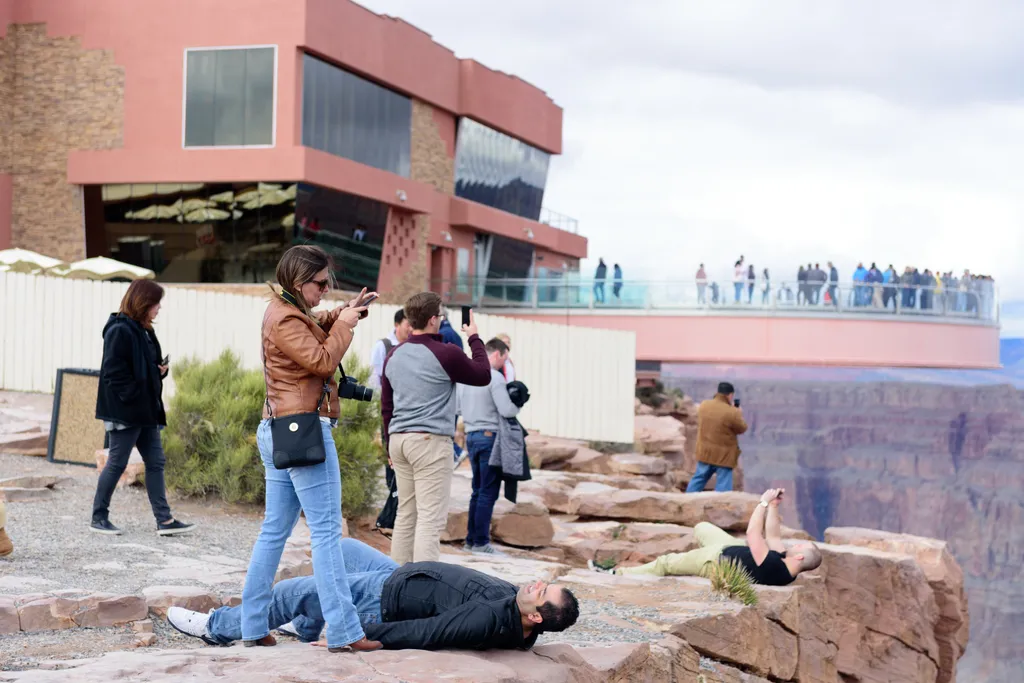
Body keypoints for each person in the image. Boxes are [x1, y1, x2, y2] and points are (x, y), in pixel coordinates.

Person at [241, 244, 380, 653]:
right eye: (320, 284)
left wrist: (343, 312)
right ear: (299, 281)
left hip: (281, 429)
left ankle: (252, 625)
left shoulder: (285, 310)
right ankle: (344, 631)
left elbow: (312, 323)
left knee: (274, 531)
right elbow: (321, 360)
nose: (324, 290)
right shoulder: (283, 316)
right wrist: (346, 327)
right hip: (302, 431)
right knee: (325, 532)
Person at [167, 538, 580, 651]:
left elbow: (431, 632)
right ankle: (311, 626)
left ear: (538, 618)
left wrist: (361, 630)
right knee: (342, 550)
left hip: (383, 598)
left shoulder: (490, 620)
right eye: (545, 582)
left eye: (543, 591)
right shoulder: (516, 607)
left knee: (290, 590)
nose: (537, 583)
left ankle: (216, 627)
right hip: (400, 576)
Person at [382, 292, 491, 564]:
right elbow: (483, 374)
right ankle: (423, 588)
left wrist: (388, 444)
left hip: (399, 440)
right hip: (429, 442)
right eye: (440, 316)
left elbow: (386, 405)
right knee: (430, 520)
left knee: (406, 515)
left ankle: (398, 582)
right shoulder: (446, 353)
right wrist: (474, 336)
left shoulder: (394, 354)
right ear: (433, 319)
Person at [92, 280, 193, 537]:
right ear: (142, 302)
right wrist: (134, 396)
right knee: (117, 462)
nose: (159, 308)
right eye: (155, 303)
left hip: (146, 410)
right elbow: (113, 373)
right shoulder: (119, 330)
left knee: (156, 461)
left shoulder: (144, 330)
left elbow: (140, 366)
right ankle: (98, 517)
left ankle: (165, 520)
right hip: (127, 411)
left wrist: (158, 371)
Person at [590, 488, 821, 584]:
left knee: (666, 563)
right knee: (702, 527)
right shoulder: (785, 563)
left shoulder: (774, 566)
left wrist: (761, 502)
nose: (796, 544)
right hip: (730, 547)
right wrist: (773, 506)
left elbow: (753, 534)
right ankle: (690, 557)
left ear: (799, 557)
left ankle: (615, 574)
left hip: (716, 562)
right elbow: (772, 534)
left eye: (801, 546)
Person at [457, 338, 520, 554]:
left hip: (471, 436)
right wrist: (518, 403)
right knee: (488, 492)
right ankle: (481, 543)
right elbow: (506, 410)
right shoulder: (494, 378)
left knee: (477, 490)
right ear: (497, 354)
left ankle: (470, 541)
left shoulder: (466, 378)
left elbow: (458, 406)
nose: (504, 362)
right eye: (504, 357)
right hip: (489, 438)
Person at [685, 382, 747, 493]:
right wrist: (738, 413)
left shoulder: (704, 405)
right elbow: (742, 428)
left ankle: (686, 502)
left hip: (705, 452)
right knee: (723, 488)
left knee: (698, 479)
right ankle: (721, 508)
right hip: (723, 456)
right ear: (730, 395)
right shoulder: (732, 412)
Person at [369, 309, 411, 390]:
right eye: (408, 325)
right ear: (396, 324)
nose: (411, 329)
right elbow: (374, 376)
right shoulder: (383, 346)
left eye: (413, 325)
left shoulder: (413, 346)